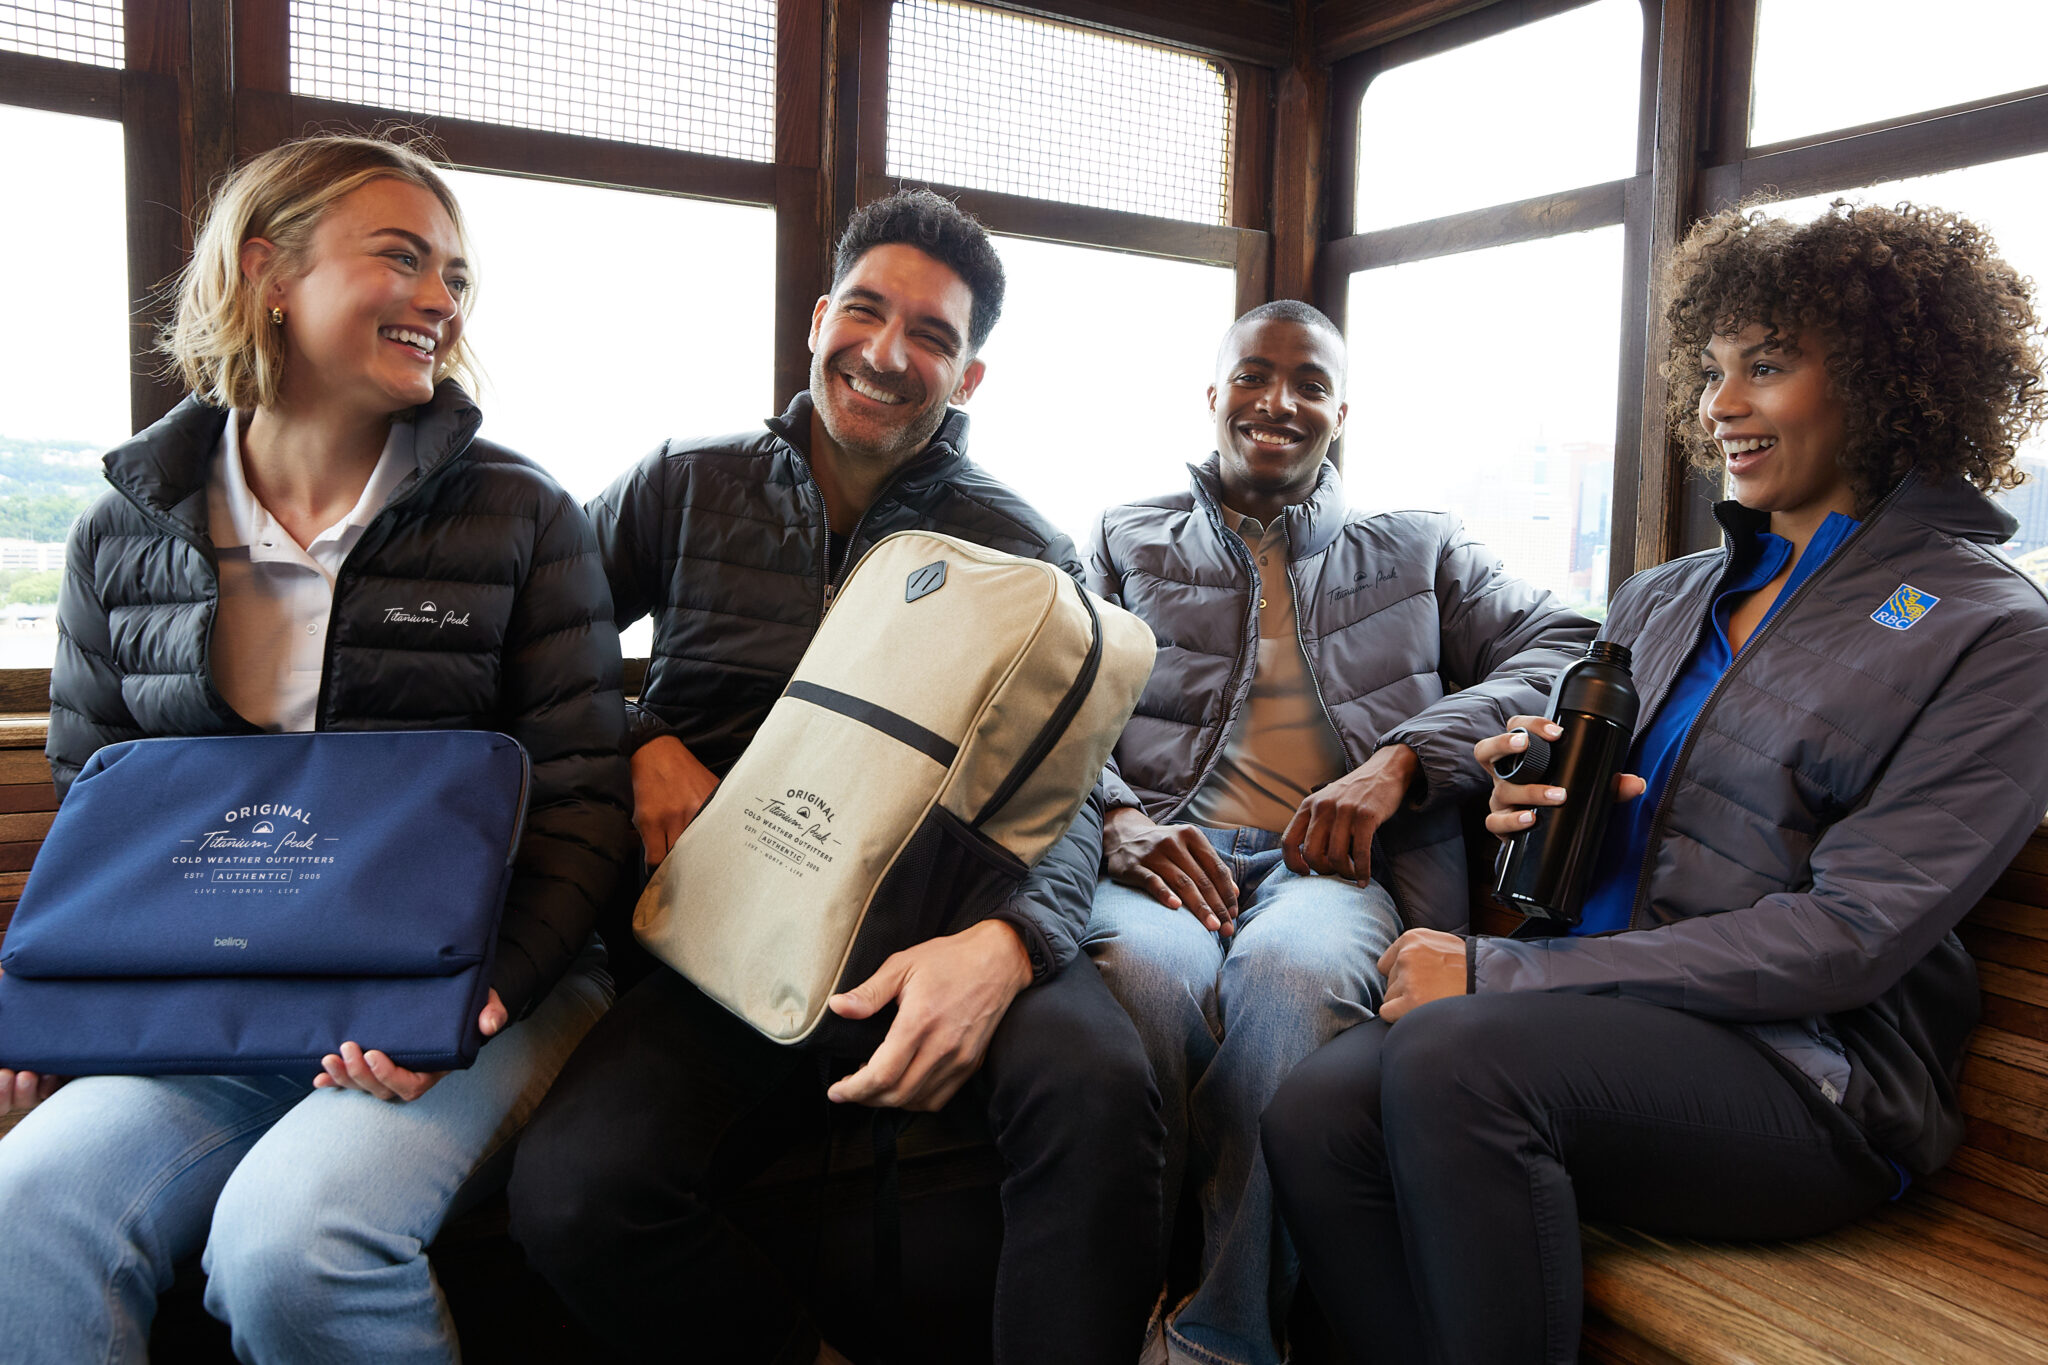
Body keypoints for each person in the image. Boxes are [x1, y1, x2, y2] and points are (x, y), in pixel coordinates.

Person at [1264, 200, 2048, 1365]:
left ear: (1889, 382)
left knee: (1454, 1063)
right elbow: (1617, 825)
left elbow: (1850, 938)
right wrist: (1520, 800)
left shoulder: (1992, 633)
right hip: (1600, 1022)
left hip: (1809, 1080)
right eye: (1713, 370)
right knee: (1312, 1110)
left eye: (1765, 368)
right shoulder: (1666, 596)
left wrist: (1503, 970)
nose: (1718, 405)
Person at [0, 132, 635, 1363]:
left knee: (292, 1244)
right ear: (266, 274)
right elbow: (100, 813)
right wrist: (53, 1021)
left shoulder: (522, 514)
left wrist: (476, 1000)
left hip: (482, 980)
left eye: (457, 276)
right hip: (229, 1002)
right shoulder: (117, 535)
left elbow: (576, 804)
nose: (442, 300)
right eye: (402, 258)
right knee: (24, 1209)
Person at [506, 188, 1164, 1365]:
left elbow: (1070, 786)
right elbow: (534, 658)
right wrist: (637, 739)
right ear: (816, 320)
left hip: (937, 908)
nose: (885, 352)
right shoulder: (684, 480)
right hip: (725, 921)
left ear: (968, 379)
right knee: (573, 1195)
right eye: (865, 311)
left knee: (1099, 1090)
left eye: (932, 335)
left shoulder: (1017, 544)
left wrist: (1006, 944)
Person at [1081, 300, 1596, 1365]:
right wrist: (1120, 818)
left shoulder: (1416, 546)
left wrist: (1401, 761)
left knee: (1291, 984)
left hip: (1332, 871)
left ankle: (1219, 1339)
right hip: (1162, 856)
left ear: (1339, 411)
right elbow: (1046, 697)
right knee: (1143, 979)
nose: (1279, 402)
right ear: (1213, 394)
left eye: (1309, 384)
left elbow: (1569, 642)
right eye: (1254, 376)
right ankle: (1124, 1305)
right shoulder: (1120, 537)